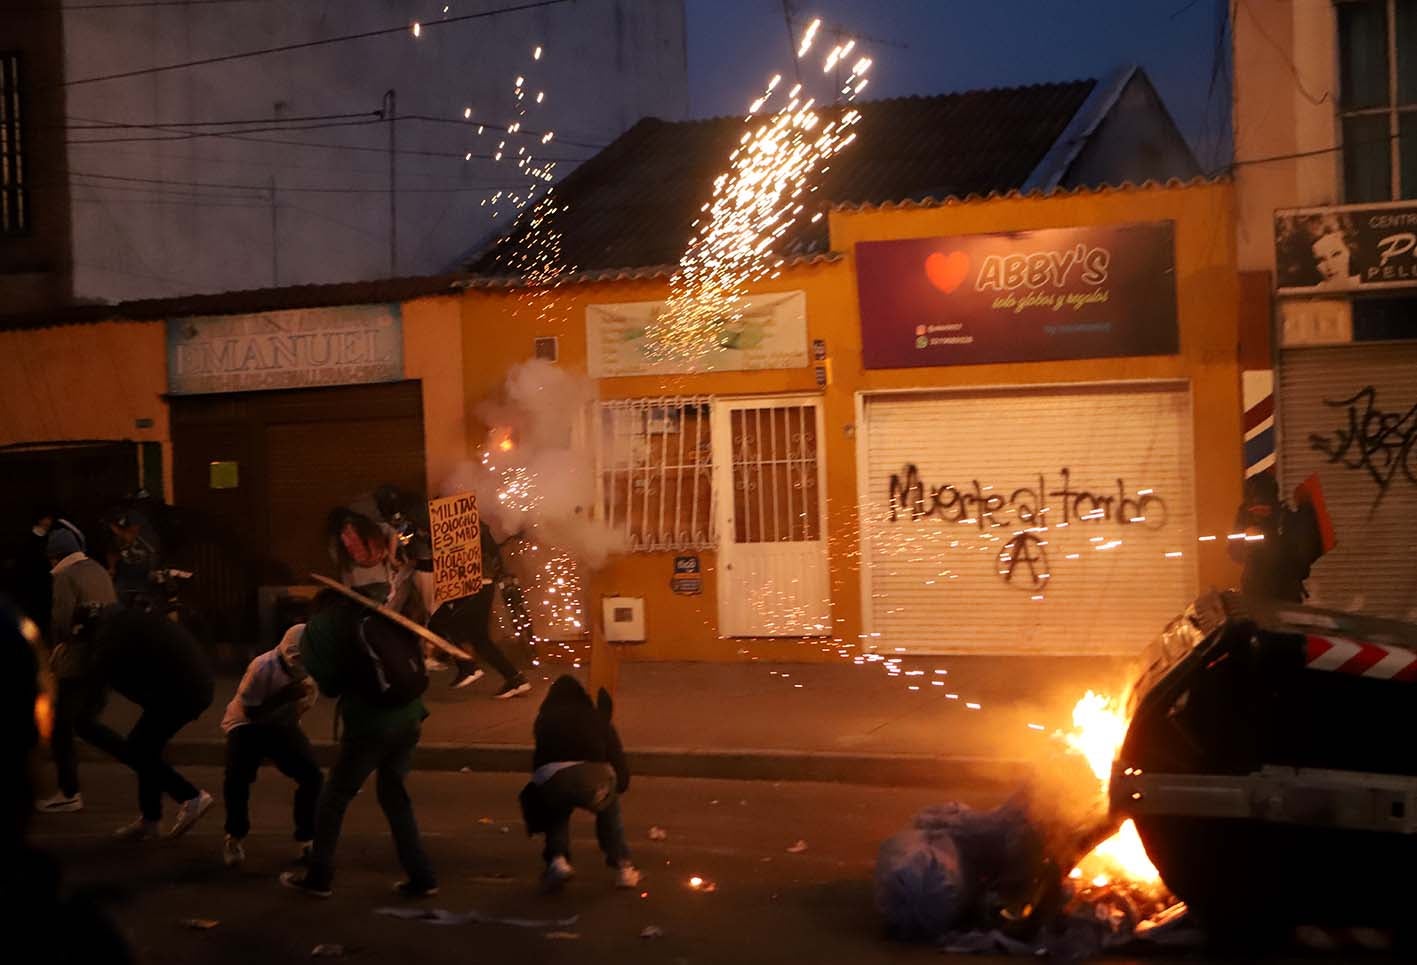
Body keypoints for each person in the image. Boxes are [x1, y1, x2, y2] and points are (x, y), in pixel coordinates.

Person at [280, 590, 437, 899]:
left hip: (370, 724)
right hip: (409, 715)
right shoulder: (376, 613)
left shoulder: (317, 630)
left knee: (334, 797)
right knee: (395, 796)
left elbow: (329, 686)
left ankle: (319, 875)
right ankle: (422, 876)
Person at [70, 605, 215, 840]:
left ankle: (190, 796)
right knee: (146, 747)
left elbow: (94, 690)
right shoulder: (121, 619)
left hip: (182, 690)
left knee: (139, 749)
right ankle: (150, 820)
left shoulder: (106, 640)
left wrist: (80, 718)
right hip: (189, 683)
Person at [520, 676, 639, 891]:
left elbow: (540, 755)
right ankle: (623, 867)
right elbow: (615, 753)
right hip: (591, 778)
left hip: (551, 778)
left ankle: (558, 860)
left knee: (556, 815)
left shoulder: (544, 718)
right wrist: (621, 783)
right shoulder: (594, 717)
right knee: (609, 812)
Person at [220, 623, 323, 868]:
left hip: (281, 724)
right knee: (237, 779)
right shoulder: (262, 667)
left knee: (312, 777)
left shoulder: (312, 668)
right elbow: (251, 711)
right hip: (245, 725)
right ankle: (234, 836)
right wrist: (286, 696)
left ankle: (307, 838)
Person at [36, 526, 118, 814]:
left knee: (60, 729)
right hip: (102, 657)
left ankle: (69, 792)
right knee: (86, 722)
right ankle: (135, 757)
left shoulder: (63, 576)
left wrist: (56, 649)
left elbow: (60, 620)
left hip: (75, 662)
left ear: (55, 555)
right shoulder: (97, 570)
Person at [439, 519, 532, 697]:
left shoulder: (468, 529)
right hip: (480, 584)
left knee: (446, 623)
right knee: (480, 638)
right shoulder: (480, 528)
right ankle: (515, 679)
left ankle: (468, 667)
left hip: (477, 584)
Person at [1228, 473, 1323, 603]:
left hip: (1283, 592)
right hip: (1258, 592)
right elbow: (1235, 552)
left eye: (1264, 508)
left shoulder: (1285, 519)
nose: (1260, 512)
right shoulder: (1246, 520)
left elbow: (1305, 554)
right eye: (1256, 509)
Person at [1301, 213, 1361, 290]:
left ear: (1350, 251)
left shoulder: (1367, 284)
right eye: (1321, 260)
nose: (1329, 266)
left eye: (1336, 254)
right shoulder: (1315, 293)